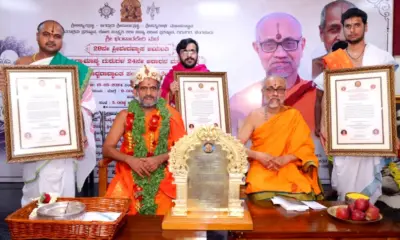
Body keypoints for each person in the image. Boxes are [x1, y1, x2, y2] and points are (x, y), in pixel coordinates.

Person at [0, 20, 96, 206]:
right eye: (46, 34)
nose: (51, 39)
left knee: (62, 194)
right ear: (37, 36)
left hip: (62, 143)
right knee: (33, 192)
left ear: (62, 40)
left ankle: (61, 229)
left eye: (57, 36)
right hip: (32, 142)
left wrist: (79, 132)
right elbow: (12, 103)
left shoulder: (73, 69)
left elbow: (87, 105)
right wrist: (4, 88)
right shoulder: (21, 64)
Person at [315, 8, 399, 204]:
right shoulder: (335, 60)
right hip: (344, 128)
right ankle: (345, 217)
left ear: (365, 27)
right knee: (343, 174)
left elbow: (386, 97)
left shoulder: (381, 57)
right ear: (344, 29)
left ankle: (367, 215)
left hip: (372, 128)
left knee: (370, 174)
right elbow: (327, 95)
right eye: (348, 26)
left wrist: (392, 133)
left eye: (357, 25)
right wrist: (324, 126)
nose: (352, 30)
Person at [103, 65, 186, 215]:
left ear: (160, 91)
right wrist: (129, 160)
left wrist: (159, 159)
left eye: (153, 88)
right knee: (114, 212)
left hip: (163, 172)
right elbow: (107, 148)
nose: (149, 93)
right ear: (135, 91)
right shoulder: (124, 115)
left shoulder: (171, 115)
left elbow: (184, 148)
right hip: (129, 172)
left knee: (165, 215)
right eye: (143, 88)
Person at [238, 75, 323, 204]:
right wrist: (258, 156)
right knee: (259, 195)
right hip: (262, 167)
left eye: (280, 90)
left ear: (285, 92)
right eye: (270, 89)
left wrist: (286, 158)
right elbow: (236, 146)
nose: (275, 94)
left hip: (288, 167)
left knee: (303, 194)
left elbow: (305, 147)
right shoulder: (254, 116)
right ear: (263, 92)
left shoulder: (294, 115)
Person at [229, 12, 316, 138]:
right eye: (269, 45)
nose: (280, 54)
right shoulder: (238, 104)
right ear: (256, 48)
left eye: (289, 43)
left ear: (302, 45)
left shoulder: (321, 99)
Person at [312, 0, 356, 79]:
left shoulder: (373, 66)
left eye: (349, 28)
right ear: (322, 33)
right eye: (334, 29)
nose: (342, 37)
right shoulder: (310, 71)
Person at [160, 38, 209, 107]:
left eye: (192, 51)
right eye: (185, 52)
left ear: (197, 54)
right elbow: (161, 104)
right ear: (179, 55)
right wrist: (171, 93)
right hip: (177, 116)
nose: (189, 55)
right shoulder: (171, 75)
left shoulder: (206, 74)